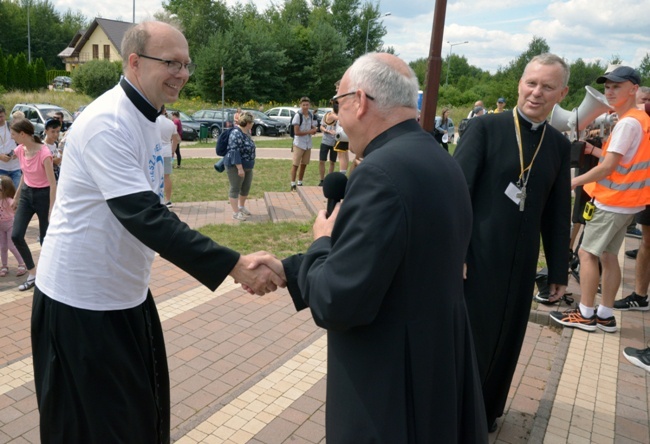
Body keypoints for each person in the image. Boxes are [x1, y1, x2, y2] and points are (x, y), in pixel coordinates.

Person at [31, 21, 283, 444]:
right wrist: (233, 265)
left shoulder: (149, 119)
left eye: (186, 64)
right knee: (93, 430)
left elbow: (154, 209)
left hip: (127, 296)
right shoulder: (107, 122)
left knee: (141, 421)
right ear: (134, 62)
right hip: (81, 306)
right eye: (171, 63)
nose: (182, 74)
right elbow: (145, 216)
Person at [254, 52, 488, 443]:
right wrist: (289, 269)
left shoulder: (379, 172)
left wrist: (322, 241)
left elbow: (337, 301)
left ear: (359, 102)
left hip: (389, 382)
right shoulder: (438, 158)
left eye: (338, 104)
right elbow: (389, 260)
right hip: (435, 363)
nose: (337, 118)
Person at [453, 53, 571, 432]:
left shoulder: (557, 143)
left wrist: (556, 270)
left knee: (507, 338)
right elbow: (455, 194)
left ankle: (485, 411)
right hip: (478, 258)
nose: (536, 93)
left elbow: (556, 212)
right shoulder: (486, 128)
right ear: (520, 83)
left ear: (562, 93)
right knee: (471, 337)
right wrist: (455, 252)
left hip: (520, 265)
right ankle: (455, 411)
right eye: (531, 83)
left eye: (547, 87)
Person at [551, 66, 650, 333]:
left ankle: (585, 313)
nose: (609, 91)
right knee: (608, 256)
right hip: (629, 201)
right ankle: (605, 315)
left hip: (611, 200)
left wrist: (573, 181)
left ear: (633, 89)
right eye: (607, 87)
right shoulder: (640, 119)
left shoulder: (627, 123)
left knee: (586, 253)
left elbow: (608, 168)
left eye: (616, 86)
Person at [10, 118, 57, 291]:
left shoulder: (44, 154)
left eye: (14, 134)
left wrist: (52, 209)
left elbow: (53, 184)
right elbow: (25, 174)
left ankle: (49, 275)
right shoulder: (20, 150)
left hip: (44, 196)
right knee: (16, 235)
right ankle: (33, 273)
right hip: (27, 195)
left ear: (23, 134)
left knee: (46, 240)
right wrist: (16, 196)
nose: (12, 137)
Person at [225, 111, 256, 221]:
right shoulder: (236, 133)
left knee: (245, 188)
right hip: (236, 166)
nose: (253, 124)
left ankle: (241, 207)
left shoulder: (247, 133)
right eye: (252, 122)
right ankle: (235, 212)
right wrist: (239, 168)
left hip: (248, 166)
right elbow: (234, 152)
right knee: (235, 188)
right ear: (247, 122)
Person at [0, 175, 26, 277]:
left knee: (12, 246)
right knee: (2, 247)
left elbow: (18, 211)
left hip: (10, 225)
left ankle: (22, 264)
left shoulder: (9, 200)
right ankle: (4, 266)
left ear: (5, 190)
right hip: (1, 227)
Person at [289, 96, 317, 190]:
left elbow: (311, 125)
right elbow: (297, 132)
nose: (305, 106)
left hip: (308, 143)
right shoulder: (298, 116)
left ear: (309, 105)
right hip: (299, 143)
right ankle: (293, 183)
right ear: (300, 105)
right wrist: (309, 132)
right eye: (303, 105)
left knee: (304, 163)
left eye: (307, 105)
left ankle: (300, 182)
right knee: (295, 164)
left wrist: (314, 129)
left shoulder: (310, 115)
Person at [157, 106, 179, 208]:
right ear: (164, 111)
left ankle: (157, 199)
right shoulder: (170, 123)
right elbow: (176, 139)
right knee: (166, 176)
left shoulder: (152, 121)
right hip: (166, 151)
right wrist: (172, 151)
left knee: (153, 176)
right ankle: (168, 199)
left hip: (154, 151)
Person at [0, 105, 22, 190]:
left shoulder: (12, 126)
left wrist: (18, 151)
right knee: (3, 196)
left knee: (16, 194)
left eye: (1, 116)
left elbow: (23, 141)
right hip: (1, 168)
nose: (0, 119)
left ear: (5, 114)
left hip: (15, 167)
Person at [318, 110, 337, 185]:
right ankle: (322, 180)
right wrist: (325, 130)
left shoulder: (339, 117)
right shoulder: (327, 114)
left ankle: (329, 180)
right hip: (325, 141)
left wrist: (335, 133)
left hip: (334, 142)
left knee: (332, 162)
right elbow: (321, 126)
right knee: (322, 161)